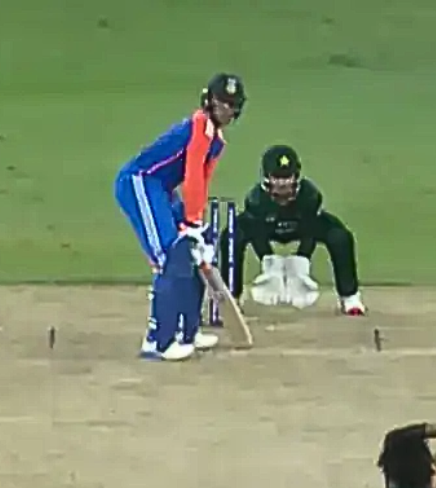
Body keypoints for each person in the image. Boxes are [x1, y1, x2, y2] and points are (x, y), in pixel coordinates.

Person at [114, 73, 247, 361]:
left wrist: (197, 225)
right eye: (223, 103)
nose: (228, 110)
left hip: (162, 190)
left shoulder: (217, 140)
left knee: (196, 250)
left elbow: (203, 180)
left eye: (232, 105)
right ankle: (157, 342)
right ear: (210, 101)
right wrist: (191, 222)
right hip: (140, 182)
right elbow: (192, 174)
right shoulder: (200, 125)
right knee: (169, 255)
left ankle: (188, 331)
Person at [219, 144, 365, 316]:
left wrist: (301, 260)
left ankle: (349, 296)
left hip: (302, 226)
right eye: (277, 177)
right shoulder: (256, 200)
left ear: (296, 176)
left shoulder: (310, 196)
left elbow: (311, 228)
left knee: (340, 237)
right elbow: (258, 233)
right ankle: (232, 297)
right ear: (267, 177)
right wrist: (269, 261)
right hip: (267, 228)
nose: (283, 183)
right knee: (231, 237)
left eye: (287, 177)